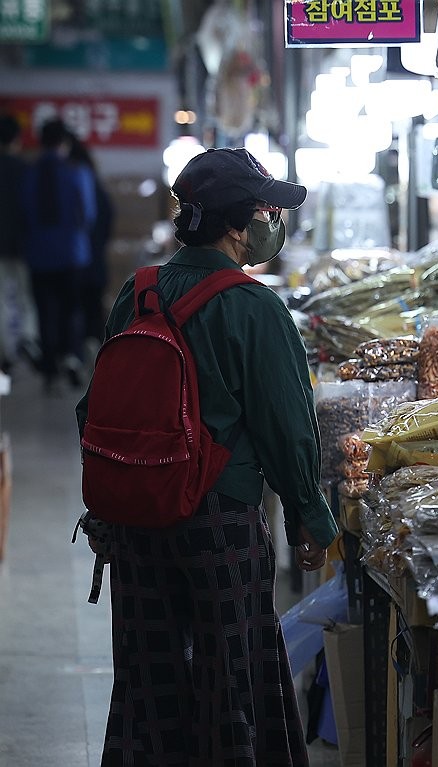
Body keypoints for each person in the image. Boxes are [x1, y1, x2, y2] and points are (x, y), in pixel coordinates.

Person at [75, 147, 337, 766]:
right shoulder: (253, 307)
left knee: (148, 680)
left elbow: (97, 406)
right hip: (218, 524)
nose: (276, 221)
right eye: (268, 210)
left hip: (136, 519)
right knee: (229, 680)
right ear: (235, 226)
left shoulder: (137, 294)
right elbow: (288, 431)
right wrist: (309, 518)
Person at [23, 117, 95, 392]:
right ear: (65, 143)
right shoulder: (77, 172)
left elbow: (25, 214)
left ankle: (49, 368)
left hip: (38, 254)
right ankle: (72, 360)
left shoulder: (30, 174)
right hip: (72, 254)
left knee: (45, 311)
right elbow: (88, 214)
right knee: (71, 310)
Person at [67, 132, 114, 351]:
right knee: (92, 307)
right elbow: (107, 219)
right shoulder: (94, 183)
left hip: (75, 258)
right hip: (93, 258)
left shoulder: (73, 178)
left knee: (76, 308)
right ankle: (94, 350)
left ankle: (78, 352)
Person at [0, 113, 37, 374]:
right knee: (26, 297)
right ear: (16, 139)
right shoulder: (26, 170)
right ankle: (27, 338)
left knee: (1, 298)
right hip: (24, 244)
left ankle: (6, 352)